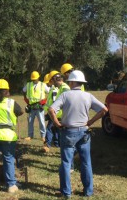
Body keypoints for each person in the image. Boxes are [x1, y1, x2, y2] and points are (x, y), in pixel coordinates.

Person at [48, 70, 108, 198]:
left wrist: (57, 124)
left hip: (68, 132)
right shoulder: (88, 96)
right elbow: (104, 109)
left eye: (70, 81)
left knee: (66, 162)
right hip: (84, 132)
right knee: (86, 161)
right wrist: (90, 121)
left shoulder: (65, 95)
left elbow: (51, 109)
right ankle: (88, 191)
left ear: (73, 82)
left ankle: (66, 192)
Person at [43, 71, 70, 153]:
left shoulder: (64, 88)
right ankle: (58, 144)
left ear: (54, 79)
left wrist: (51, 112)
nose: (50, 83)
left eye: (51, 81)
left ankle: (48, 145)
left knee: (52, 129)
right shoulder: (60, 88)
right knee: (57, 131)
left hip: (59, 115)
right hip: (56, 114)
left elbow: (64, 103)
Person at [23, 71, 49, 142]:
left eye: (35, 79)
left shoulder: (43, 85)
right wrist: (26, 100)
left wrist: (44, 101)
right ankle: (30, 136)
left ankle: (43, 136)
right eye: (33, 79)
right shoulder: (28, 85)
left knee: (41, 121)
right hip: (31, 106)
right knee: (30, 121)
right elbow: (23, 90)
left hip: (40, 106)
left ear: (38, 77)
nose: (34, 80)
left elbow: (49, 92)